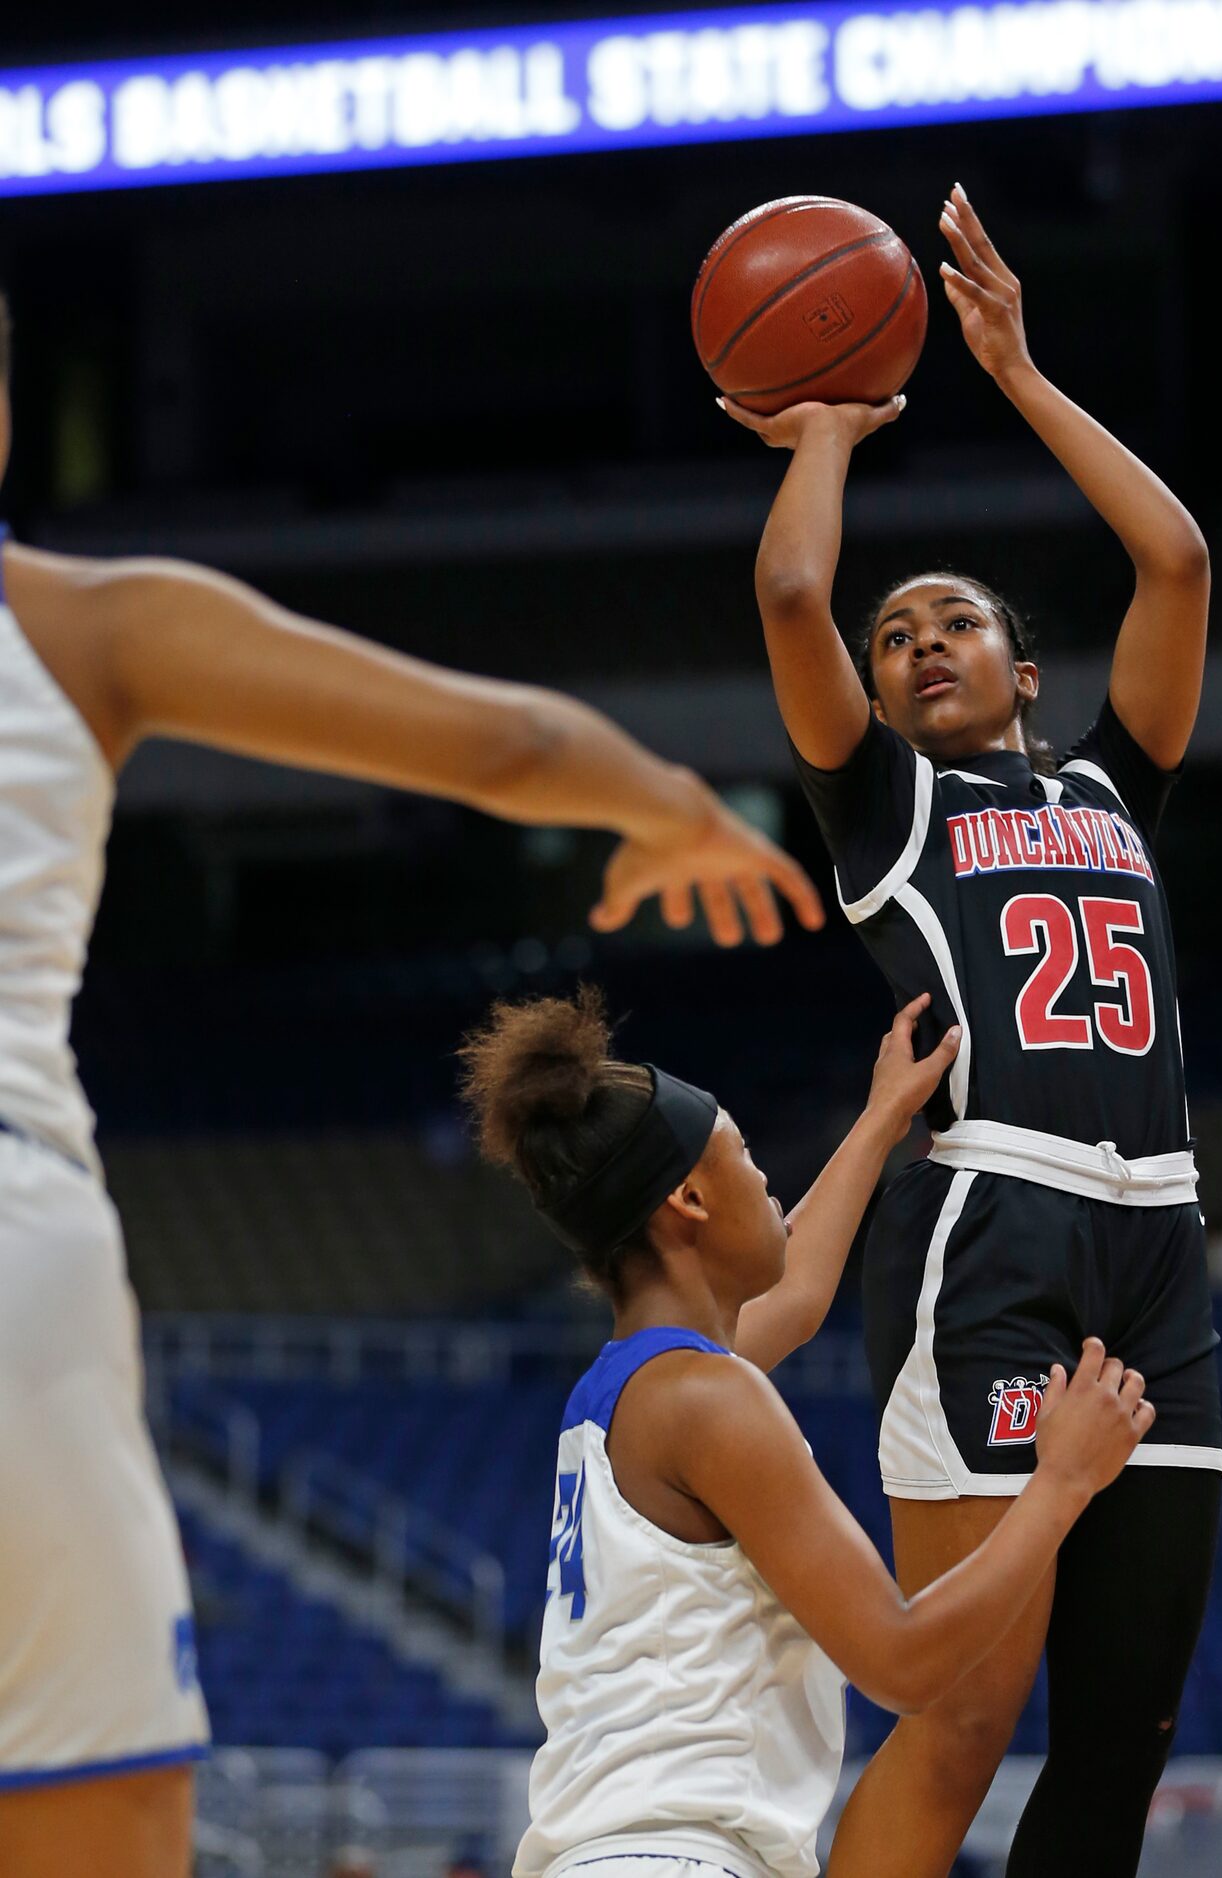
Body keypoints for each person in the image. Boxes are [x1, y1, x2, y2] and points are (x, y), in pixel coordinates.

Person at [0, 289, 824, 1878]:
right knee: (91, 1831)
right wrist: (670, 804)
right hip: (13, 1242)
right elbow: (504, 748)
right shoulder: (76, 625)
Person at [725, 184, 1220, 1878]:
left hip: (1156, 1231)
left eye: (952, 622)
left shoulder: (1110, 783)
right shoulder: (884, 807)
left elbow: (1176, 557)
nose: (914, 640)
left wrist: (1011, 368)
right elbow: (794, 593)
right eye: (896, 635)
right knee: (961, 1702)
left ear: (1023, 668)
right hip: (985, 1230)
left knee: (1123, 1732)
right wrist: (826, 430)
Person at [460, 987, 1156, 1878]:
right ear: (690, 1200)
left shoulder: (633, 1387)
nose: (766, 1181)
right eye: (744, 1156)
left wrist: (882, 1119)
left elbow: (795, 1294)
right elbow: (903, 1663)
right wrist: (1060, 1485)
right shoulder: (710, 1399)